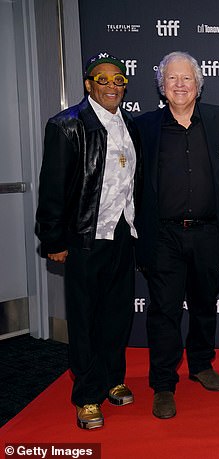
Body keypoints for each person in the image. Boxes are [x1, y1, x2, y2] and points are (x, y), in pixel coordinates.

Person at [35, 52, 141, 429]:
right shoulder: (67, 125)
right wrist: (53, 240)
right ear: (88, 84)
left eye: (118, 80)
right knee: (84, 320)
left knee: (116, 316)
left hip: (121, 236)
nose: (111, 86)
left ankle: (113, 379)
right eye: (103, 79)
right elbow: (52, 190)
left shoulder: (129, 124)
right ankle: (87, 395)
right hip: (83, 239)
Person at [135, 51, 219, 419]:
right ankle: (162, 383)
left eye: (186, 78)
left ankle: (202, 365)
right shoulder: (144, 128)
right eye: (171, 78)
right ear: (162, 85)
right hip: (164, 235)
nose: (179, 84)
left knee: (206, 304)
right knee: (163, 311)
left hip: (208, 232)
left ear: (198, 85)